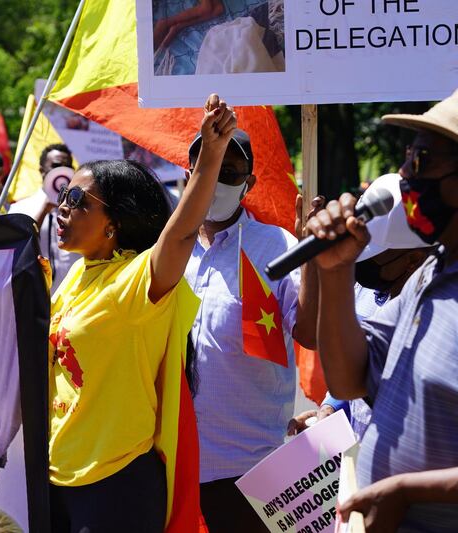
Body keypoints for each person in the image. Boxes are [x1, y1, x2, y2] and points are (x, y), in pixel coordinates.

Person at [48, 94, 234, 532]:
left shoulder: (137, 281)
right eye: (64, 193)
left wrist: (210, 157)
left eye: (77, 198)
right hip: (58, 476)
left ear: (114, 223)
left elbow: (183, 231)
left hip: (116, 485)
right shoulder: (75, 276)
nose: (63, 206)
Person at [308, 90, 458, 532]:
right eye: (408, 155)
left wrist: (410, 490)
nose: (407, 174)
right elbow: (348, 380)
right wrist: (335, 271)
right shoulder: (432, 272)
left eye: (424, 159)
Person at [182, 128, 319, 532]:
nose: (216, 179)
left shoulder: (277, 245)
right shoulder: (172, 247)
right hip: (177, 462)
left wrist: (309, 253)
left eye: (230, 171)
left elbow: (308, 334)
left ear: (249, 183)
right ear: (190, 171)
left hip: (252, 469)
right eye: (206, 166)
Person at [287, 174, 432, 440]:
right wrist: (332, 407)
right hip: (359, 461)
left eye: (371, 257)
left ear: (413, 258)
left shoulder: (436, 315)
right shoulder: (365, 290)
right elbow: (354, 371)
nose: (358, 264)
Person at [8, 143, 79, 289]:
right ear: (42, 170)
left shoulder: (81, 207)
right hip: (34, 292)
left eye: (68, 166)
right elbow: (17, 244)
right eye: (56, 165)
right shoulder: (21, 207)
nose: (62, 170)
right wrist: (45, 208)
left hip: (73, 294)